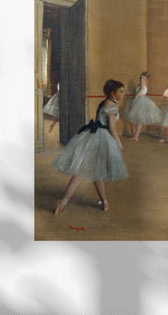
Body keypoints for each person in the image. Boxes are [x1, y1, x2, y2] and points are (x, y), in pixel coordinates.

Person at [53, 79, 128, 215]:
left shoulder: (105, 103)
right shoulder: (111, 105)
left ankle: (103, 201)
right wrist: (119, 144)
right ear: (113, 92)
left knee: (93, 172)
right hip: (99, 138)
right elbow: (112, 128)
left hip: (94, 136)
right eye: (121, 91)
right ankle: (64, 202)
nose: (123, 94)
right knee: (84, 172)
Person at [124, 71, 162, 141]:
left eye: (143, 78)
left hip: (140, 102)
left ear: (147, 80)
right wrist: (130, 92)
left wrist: (132, 103)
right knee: (130, 117)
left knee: (140, 119)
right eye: (141, 78)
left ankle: (136, 136)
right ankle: (134, 133)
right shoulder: (140, 86)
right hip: (138, 100)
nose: (141, 80)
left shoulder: (143, 86)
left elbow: (138, 95)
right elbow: (136, 93)